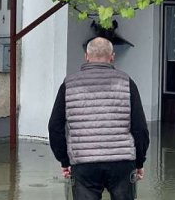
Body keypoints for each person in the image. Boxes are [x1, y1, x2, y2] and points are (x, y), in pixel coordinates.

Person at [48, 37, 150, 200]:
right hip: (122, 162)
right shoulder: (126, 82)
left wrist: (65, 160)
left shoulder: (69, 84)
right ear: (112, 57)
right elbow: (140, 128)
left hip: (83, 163)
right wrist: (139, 161)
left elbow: (54, 127)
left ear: (86, 56)